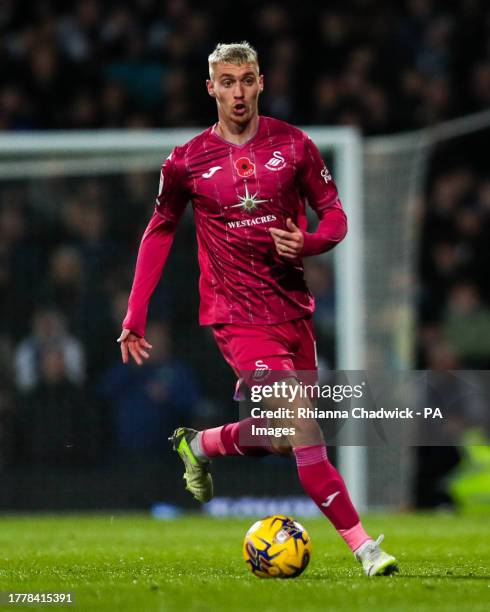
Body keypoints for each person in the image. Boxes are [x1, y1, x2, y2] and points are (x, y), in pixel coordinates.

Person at [118, 42, 397, 577]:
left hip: (292, 313)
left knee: (278, 436)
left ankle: (200, 444)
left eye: (246, 80)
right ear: (211, 88)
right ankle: (366, 548)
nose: (238, 92)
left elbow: (335, 214)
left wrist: (310, 243)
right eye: (227, 82)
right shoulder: (186, 161)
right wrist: (135, 313)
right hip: (237, 318)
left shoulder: (294, 145)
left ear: (261, 82)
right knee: (305, 429)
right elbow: (160, 231)